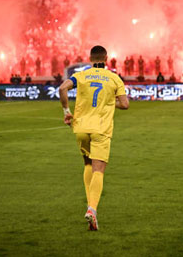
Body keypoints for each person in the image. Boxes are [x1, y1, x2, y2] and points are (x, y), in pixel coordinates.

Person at [58, 45, 129, 231]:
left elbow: (62, 89)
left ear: (90, 58)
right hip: (101, 129)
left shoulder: (81, 76)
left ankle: (91, 208)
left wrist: (67, 111)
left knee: (87, 164)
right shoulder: (114, 78)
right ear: (106, 58)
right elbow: (125, 104)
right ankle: (92, 209)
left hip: (80, 128)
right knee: (99, 169)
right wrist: (109, 102)